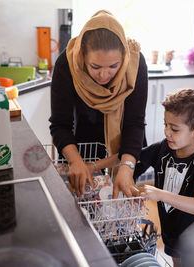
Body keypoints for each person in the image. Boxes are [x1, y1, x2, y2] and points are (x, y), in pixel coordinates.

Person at [49, 10, 148, 198]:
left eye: (113, 66)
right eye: (95, 67)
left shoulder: (134, 65)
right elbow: (60, 125)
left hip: (125, 152)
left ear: (124, 58)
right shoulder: (67, 64)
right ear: (82, 55)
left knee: (121, 216)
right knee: (83, 214)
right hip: (79, 149)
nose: (104, 75)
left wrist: (126, 168)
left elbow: (134, 123)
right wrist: (76, 162)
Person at [134, 84, 194, 267]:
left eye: (174, 129)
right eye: (165, 125)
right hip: (172, 230)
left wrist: (159, 194)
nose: (167, 132)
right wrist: (94, 166)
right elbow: (131, 159)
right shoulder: (163, 148)